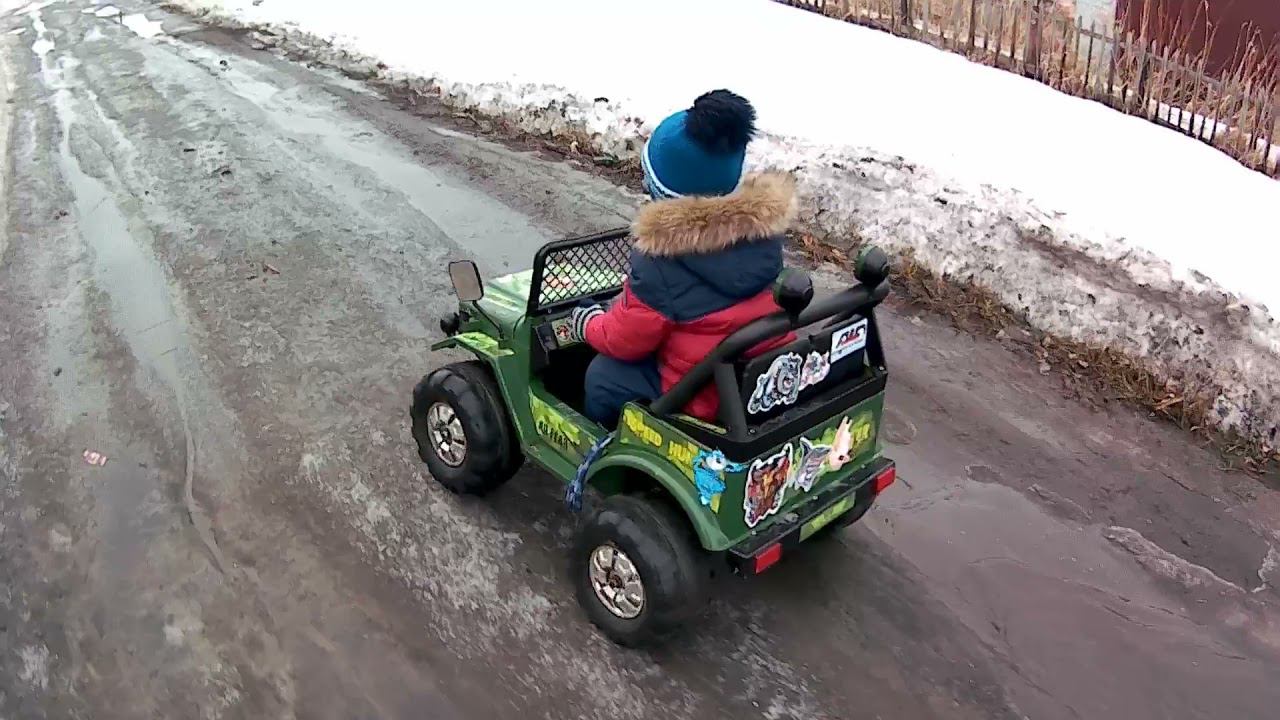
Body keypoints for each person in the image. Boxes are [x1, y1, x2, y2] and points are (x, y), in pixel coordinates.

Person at [567, 89, 797, 427]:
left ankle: (603, 444)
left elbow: (624, 339)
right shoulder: (764, 235)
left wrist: (587, 323)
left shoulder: (661, 260)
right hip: (752, 378)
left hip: (701, 395)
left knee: (603, 376)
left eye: (649, 178)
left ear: (665, 194)